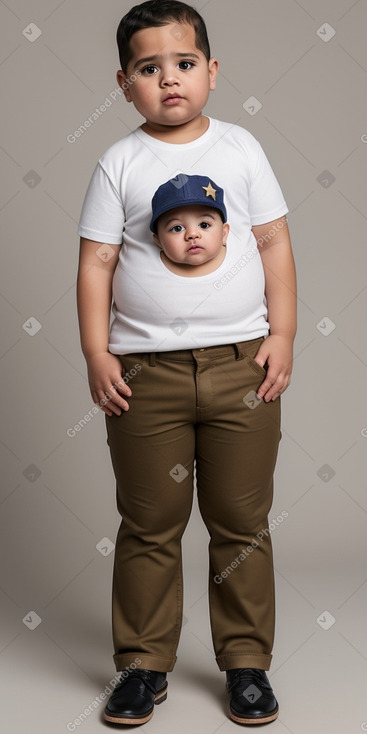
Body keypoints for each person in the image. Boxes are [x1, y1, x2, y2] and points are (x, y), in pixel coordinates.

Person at [76, 0, 297, 726]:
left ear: (210, 70)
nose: (168, 79)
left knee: (241, 520)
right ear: (124, 82)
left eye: (183, 63)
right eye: (149, 68)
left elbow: (271, 244)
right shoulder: (120, 161)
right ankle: (141, 666)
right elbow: (97, 264)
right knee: (149, 522)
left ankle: (246, 665)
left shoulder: (239, 148)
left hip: (241, 367)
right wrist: (95, 351)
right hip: (146, 375)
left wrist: (284, 334)